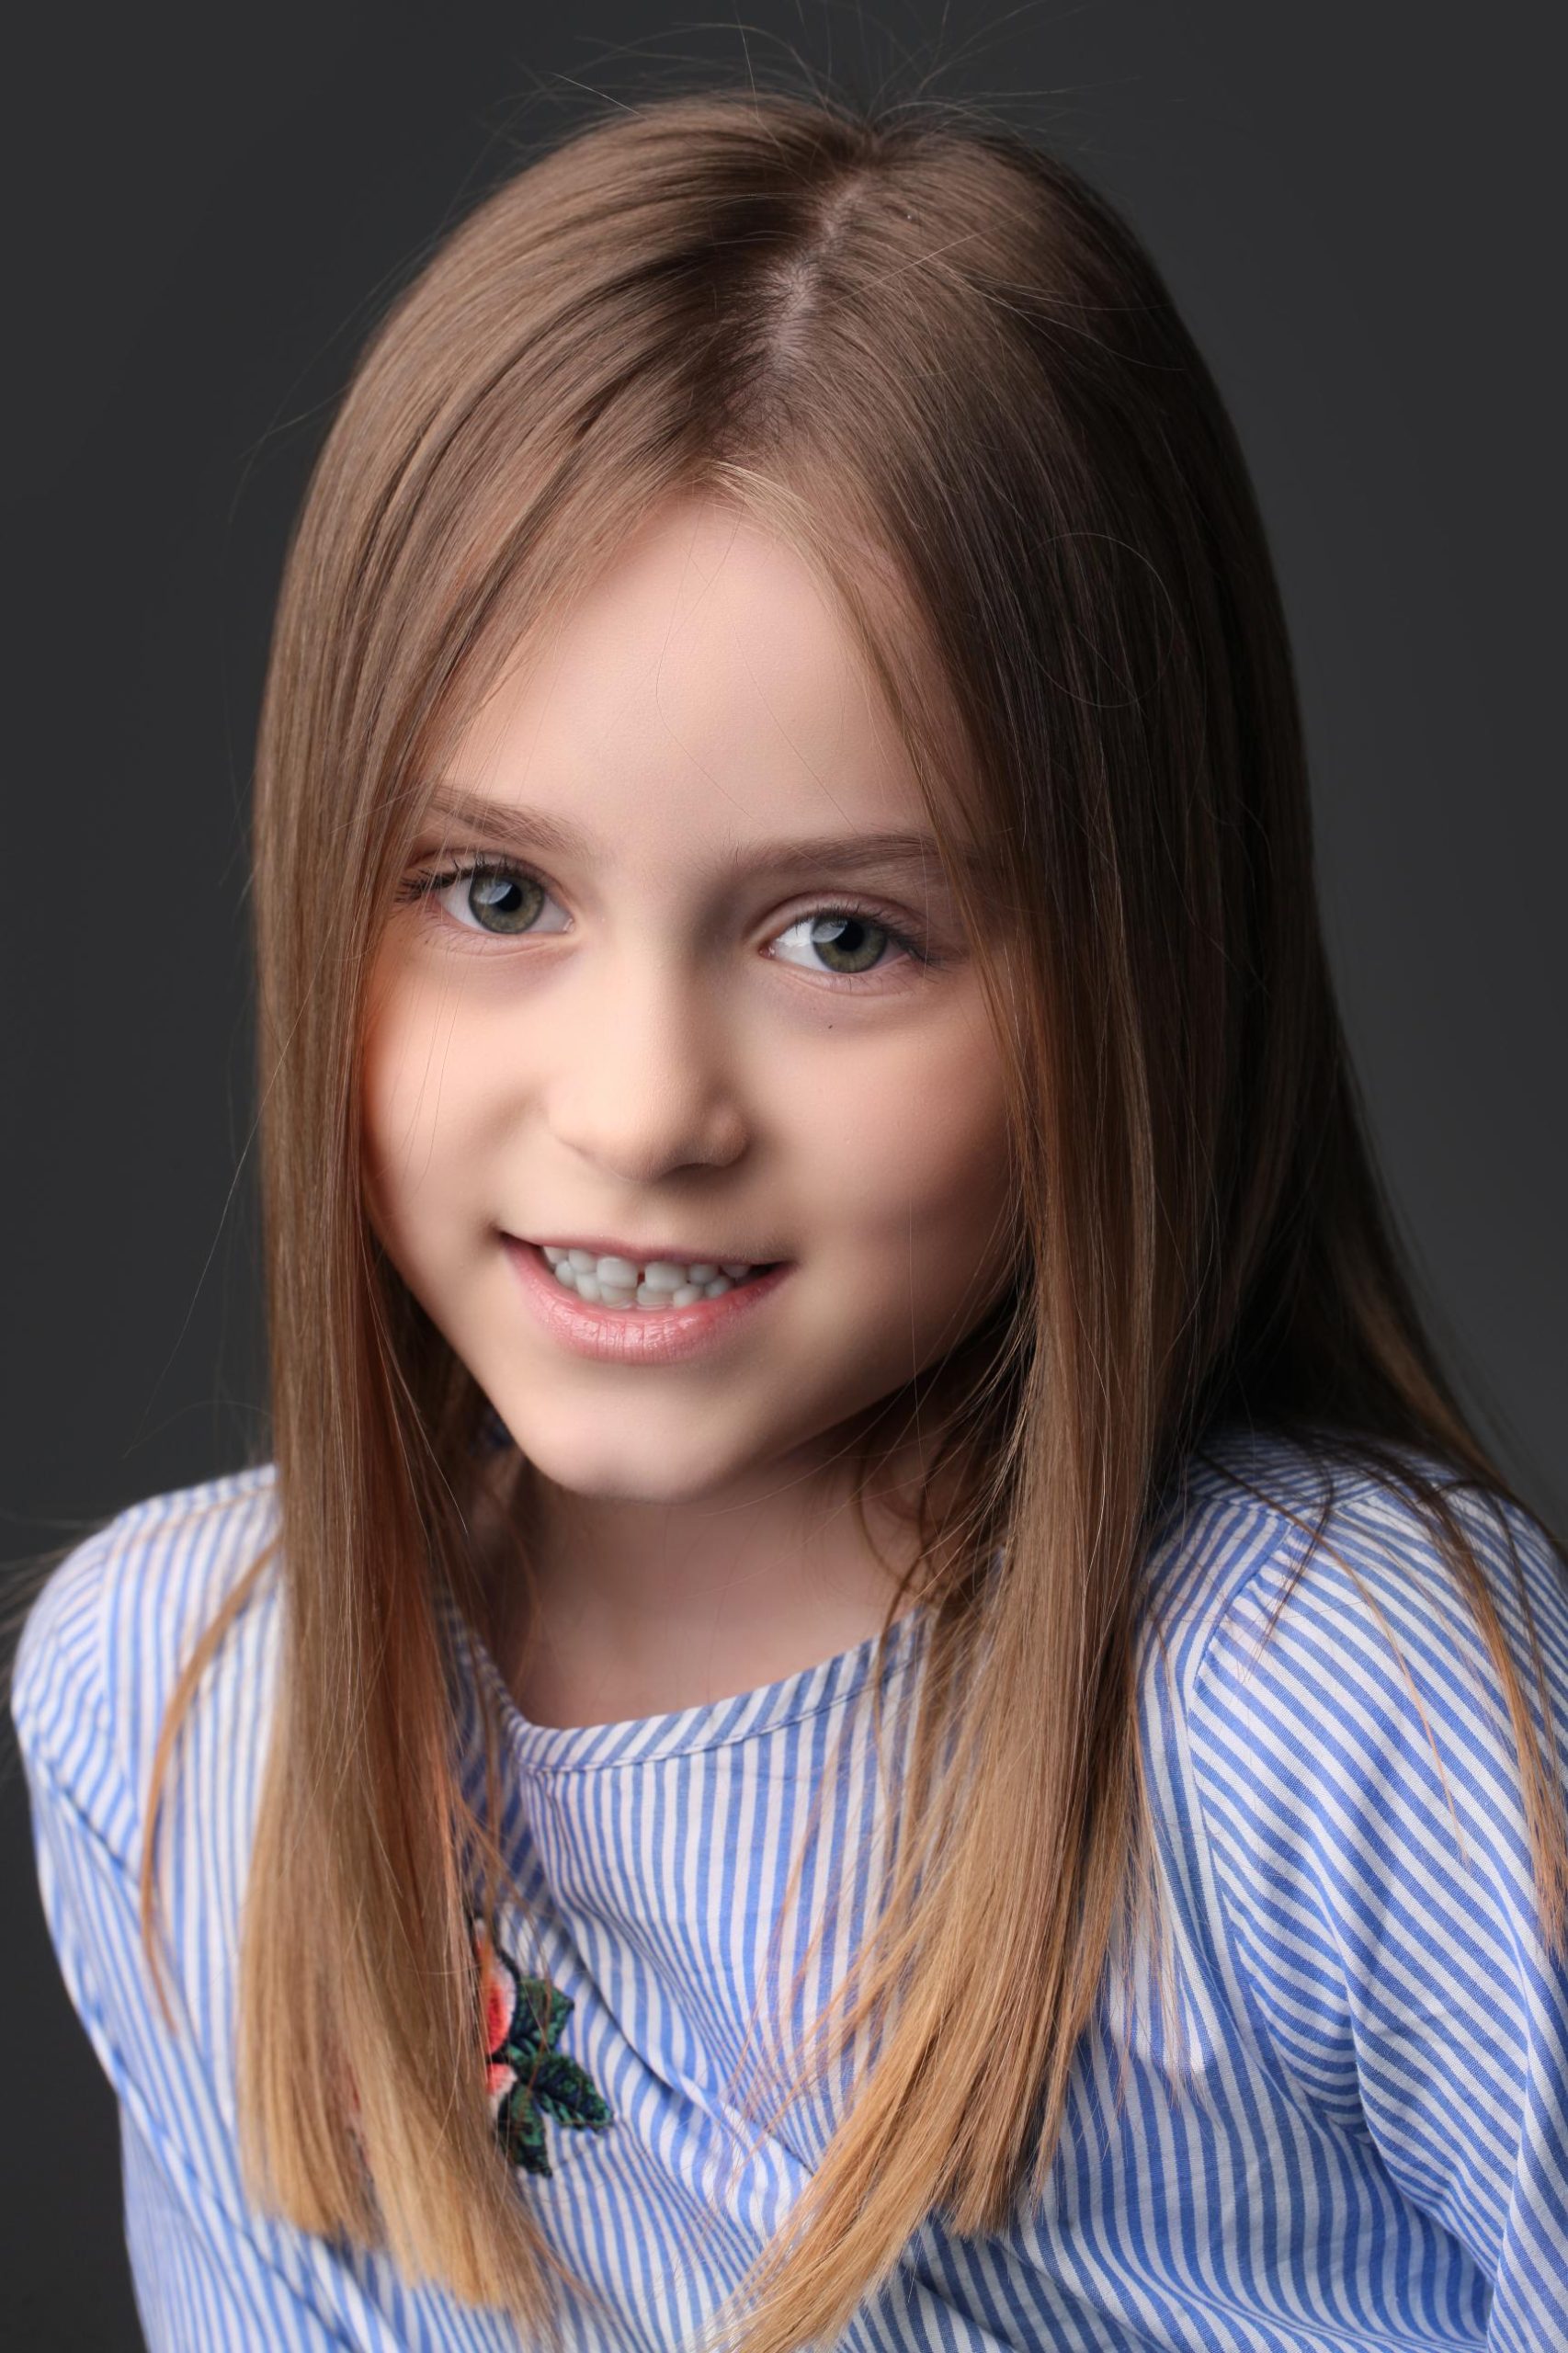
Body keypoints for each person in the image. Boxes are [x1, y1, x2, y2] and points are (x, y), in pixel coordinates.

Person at [9, 81, 1567, 2353]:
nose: (641, 1109)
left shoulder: (1330, 1715)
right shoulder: (182, 1715)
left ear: (1141, 984)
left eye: (843, 936)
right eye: (495, 892)